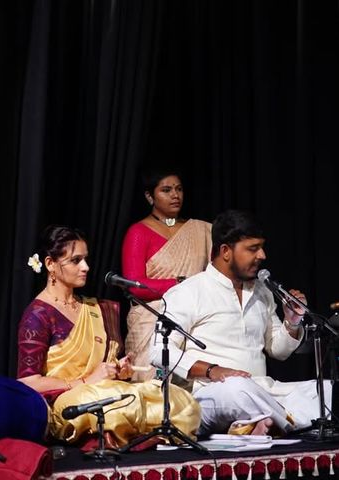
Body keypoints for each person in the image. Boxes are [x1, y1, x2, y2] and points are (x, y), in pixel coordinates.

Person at [17, 224, 200, 449]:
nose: (85, 267)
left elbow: (104, 371)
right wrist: (85, 381)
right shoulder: (38, 314)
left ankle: (136, 434)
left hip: (105, 390)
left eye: (85, 259)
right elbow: (28, 383)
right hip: (69, 400)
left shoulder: (93, 308)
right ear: (50, 264)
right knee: (116, 407)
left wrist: (118, 370)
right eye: (75, 261)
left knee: (181, 401)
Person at [150, 208, 329, 436]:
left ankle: (263, 422)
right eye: (253, 249)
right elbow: (158, 352)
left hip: (262, 389)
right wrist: (212, 370)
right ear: (225, 251)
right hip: (213, 393)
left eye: (261, 247)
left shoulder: (262, 292)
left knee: (327, 389)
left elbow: (278, 350)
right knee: (237, 389)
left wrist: (292, 322)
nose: (262, 255)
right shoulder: (188, 292)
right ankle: (287, 423)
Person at [121, 167, 212, 380]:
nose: (175, 195)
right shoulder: (138, 232)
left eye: (179, 189)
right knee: (151, 390)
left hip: (194, 321)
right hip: (151, 319)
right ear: (149, 196)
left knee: (192, 391)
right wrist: (180, 284)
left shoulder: (201, 231)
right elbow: (134, 286)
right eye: (166, 190)